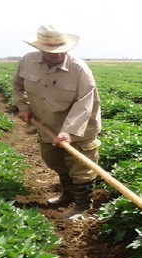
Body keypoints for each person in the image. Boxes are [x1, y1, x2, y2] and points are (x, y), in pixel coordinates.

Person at [12, 24, 102, 220]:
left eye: (62, 51)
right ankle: (68, 194)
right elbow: (17, 86)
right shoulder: (28, 61)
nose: (58, 56)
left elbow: (85, 103)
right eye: (52, 52)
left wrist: (69, 131)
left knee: (80, 167)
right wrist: (24, 107)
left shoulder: (79, 69)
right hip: (47, 124)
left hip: (80, 127)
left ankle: (82, 206)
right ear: (40, 49)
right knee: (54, 160)